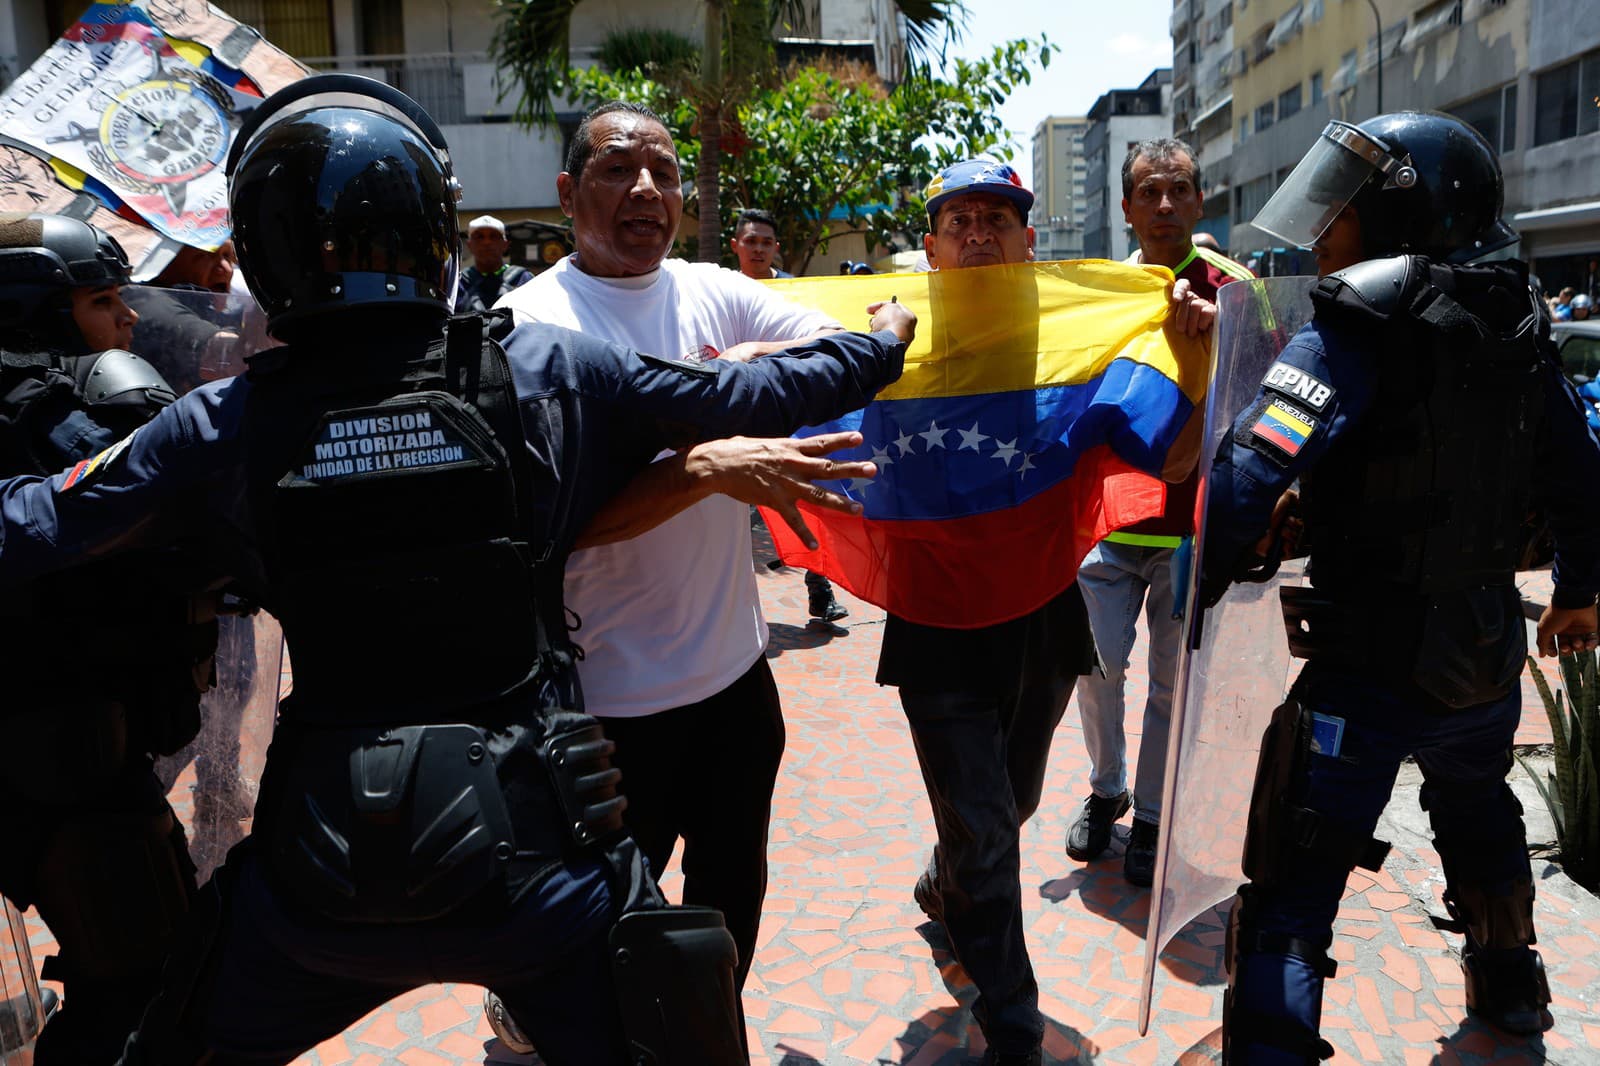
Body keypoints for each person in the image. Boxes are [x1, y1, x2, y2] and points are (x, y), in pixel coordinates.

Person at [0, 76, 912, 1064]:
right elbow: (756, 388)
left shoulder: (222, 421)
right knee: (679, 1017)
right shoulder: (543, 366)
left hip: (315, 876)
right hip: (543, 860)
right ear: (434, 228)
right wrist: (880, 347)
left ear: (266, 246)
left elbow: (39, 521)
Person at [1200, 111, 1600, 1063]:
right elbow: (1585, 482)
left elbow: (1248, 475)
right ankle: (1512, 991)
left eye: (1344, 203)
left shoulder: (1360, 319)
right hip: (1483, 660)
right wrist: (1581, 596)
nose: (1323, 223)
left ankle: (1272, 1045)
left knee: (1295, 870)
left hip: (1365, 667)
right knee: (1479, 807)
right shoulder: (1520, 321)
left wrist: (1208, 570)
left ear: (1397, 215)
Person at [493, 101, 883, 1047]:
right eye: (618, 170)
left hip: (734, 691)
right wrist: (707, 464)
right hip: (601, 712)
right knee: (600, 936)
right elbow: (544, 534)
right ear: (566, 192)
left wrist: (870, 324)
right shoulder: (527, 329)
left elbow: (836, 352)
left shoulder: (714, 290)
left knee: (726, 913)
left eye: (664, 174)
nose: (646, 192)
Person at [880, 158, 1215, 1066]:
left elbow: (1177, 466)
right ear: (933, 249)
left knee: (1009, 805)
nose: (980, 233)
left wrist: (1194, 365)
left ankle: (946, 883)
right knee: (987, 827)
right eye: (959, 220)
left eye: (999, 218)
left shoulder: (1086, 342)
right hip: (937, 628)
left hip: (1041, 619)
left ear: (1032, 240)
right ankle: (1016, 1026)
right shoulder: (889, 345)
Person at [0, 212, 214, 1064]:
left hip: (65, 752)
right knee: (135, 988)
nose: (127, 318)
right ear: (35, 314)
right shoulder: (53, 401)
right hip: (63, 753)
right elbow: (177, 516)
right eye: (102, 299)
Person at [1066, 138, 1252, 885]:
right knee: (1096, 666)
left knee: (1173, 686)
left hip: (1191, 530)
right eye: (1150, 192)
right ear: (1126, 208)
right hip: (1109, 522)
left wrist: (1223, 339)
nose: (1165, 205)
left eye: (1179, 189)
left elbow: (1270, 387)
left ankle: (1149, 816)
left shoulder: (1236, 289)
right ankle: (1106, 787)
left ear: (1201, 201)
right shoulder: (1101, 290)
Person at [456, 214, 534, 313]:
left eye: (494, 236)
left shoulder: (523, 279)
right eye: (479, 237)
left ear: (505, 244)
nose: (487, 242)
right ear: (469, 245)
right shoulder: (460, 283)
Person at [729, 208, 792, 280]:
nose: (759, 249)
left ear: (776, 249)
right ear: (734, 245)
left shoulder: (793, 287)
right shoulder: (723, 288)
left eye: (767, 243)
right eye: (751, 241)